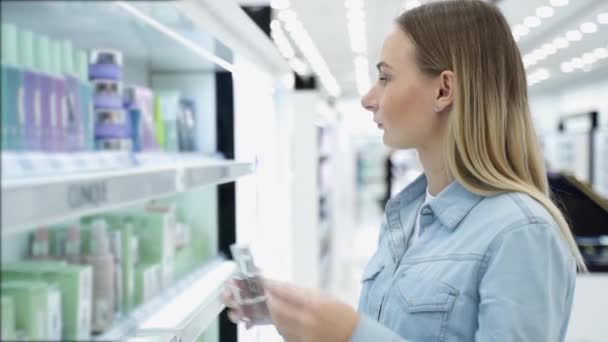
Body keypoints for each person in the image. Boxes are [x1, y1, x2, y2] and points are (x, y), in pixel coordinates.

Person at [223, 1, 586, 341]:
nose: (368, 98)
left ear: (444, 90)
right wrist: (295, 315)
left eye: (385, 78)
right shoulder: (406, 213)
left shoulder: (521, 233)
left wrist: (351, 333)